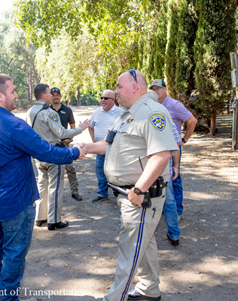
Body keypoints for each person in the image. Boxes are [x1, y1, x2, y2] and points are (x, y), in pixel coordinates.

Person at [0, 74, 86, 301]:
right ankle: (8, 298)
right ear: (0, 95)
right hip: (16, 202)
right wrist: (76, 152)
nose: (17, 95)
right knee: (14, 253)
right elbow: (46, 151)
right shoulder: (12, 124)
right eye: (13, 91)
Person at [85, 69, 178, 301]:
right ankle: (149, 288)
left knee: (129, 249)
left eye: (118, 86)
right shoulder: (126, 114)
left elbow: (162, 154)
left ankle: (114, 298)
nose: (114, 91)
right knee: (143, 245)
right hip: (126, 195)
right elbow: (110, 145)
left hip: (141, 197)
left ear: (134, 87)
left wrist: (138, 190)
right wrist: (84, 149)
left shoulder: (152, 112)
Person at [26, 84, 90, 230]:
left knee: (42, 186)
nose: (52, 95)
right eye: (49, 93)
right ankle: (53, 220)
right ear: (44, 96)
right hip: (53, 153)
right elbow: (61, 133)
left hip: (38, 154)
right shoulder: (49, 112)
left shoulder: (30, 111)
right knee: (55, 187)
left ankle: (40, 217)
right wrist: (81, 128)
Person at [150, 79, 197, 220]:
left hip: (172, 149)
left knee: (174, 178)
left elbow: (192, 120)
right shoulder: (152, 106)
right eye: (153, 89)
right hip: (156, 149)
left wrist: (184, 139)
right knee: (158, 178)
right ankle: (165, 208)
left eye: (158, 88)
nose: (155, 91)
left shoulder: (175, 105)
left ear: (165, 90)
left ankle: (177, 211)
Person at [148, 90, 181, 245]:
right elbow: (176, 144)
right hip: (164, 170)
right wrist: (176, 166)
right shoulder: (166, 118)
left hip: (146, 172)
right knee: (169, 202)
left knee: (147, 204)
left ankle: (148, 236)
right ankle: (174, 234)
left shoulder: (139, 118)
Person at [88, 89, 124, 203]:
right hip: (101, 149)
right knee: (100, 170)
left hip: (115, 149)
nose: (103, 100)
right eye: (101, 98)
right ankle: (102, 193)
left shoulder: (121, 113)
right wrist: (94, 141)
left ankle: (119, 193)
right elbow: (90, 125)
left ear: (113, 100)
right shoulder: (97, 112)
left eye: (106, 98)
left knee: (116, 172)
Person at [50, 87, 82, 201]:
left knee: (70, 168)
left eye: (57, 94)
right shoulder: (47, 110)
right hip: (52, 145)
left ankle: (75, 191)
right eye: (53, 95)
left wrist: (70, 138)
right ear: (50, 96)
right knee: (52, 170)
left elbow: (73, 126)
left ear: (60, 96)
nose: (55, 97)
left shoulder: (67, 110)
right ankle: (53, 195)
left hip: (65, 145)